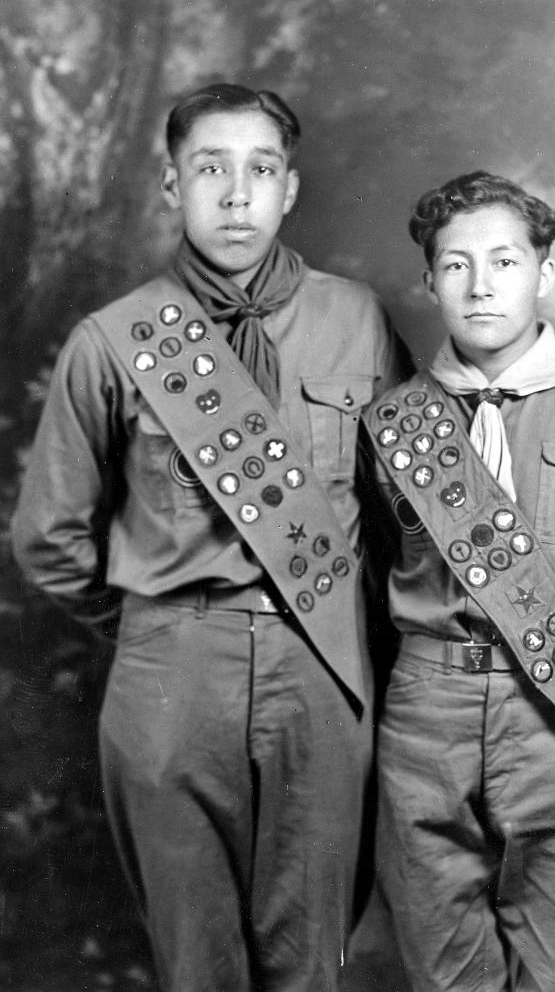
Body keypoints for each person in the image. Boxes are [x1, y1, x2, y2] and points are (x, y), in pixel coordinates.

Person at [12, 83, 406, 992]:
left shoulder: (359, 320)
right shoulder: (113, 340)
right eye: (210, 169)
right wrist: (157, 624)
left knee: (312, 963)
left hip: (321, 662)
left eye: (260, 170)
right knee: (199, 967)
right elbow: (49, 537)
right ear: (170, 184)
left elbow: (399, 515)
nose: (237, 194)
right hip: (172, 667)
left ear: (290, 190)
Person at [362, 171, 555, 992]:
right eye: (456, 265)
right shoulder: (391, 422)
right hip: (428, 712)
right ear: (429, 282)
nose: (480, 284)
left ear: (545, 273)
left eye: (504, 260)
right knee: (442, 961)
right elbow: (368, 578)